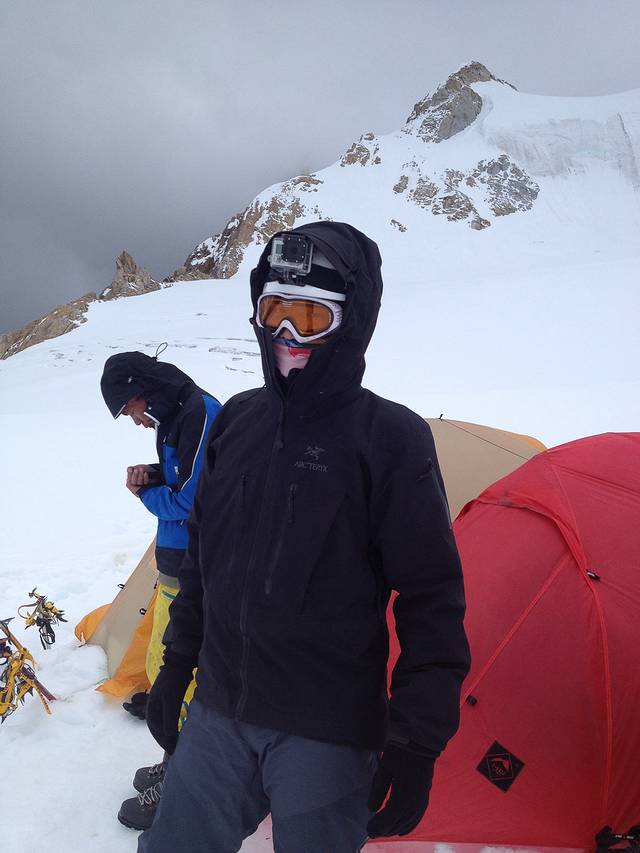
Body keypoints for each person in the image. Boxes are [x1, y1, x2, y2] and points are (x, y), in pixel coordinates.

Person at [139, 222, 470, 852]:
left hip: (327, 730)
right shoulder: (238, 420)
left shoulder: (389, 438)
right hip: (220, 709)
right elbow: (204, 563)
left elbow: (431, 597)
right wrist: (178, 663)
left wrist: (415, 740)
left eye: (311, 318)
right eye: (275, 313)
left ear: (351, 323)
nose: (288, 336)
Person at [99, 348, 222, 830]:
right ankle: (177, 758)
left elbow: (193, 501)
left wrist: (145, 493)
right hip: (174, 565)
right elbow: (181, 479)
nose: (135, 420)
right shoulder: (173, 417)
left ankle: (187, 778)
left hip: (197, 568)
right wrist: (154, 476)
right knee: (162, 669)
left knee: (182, 677)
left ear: (143, 390)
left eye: (129, 409)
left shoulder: (199, 412)